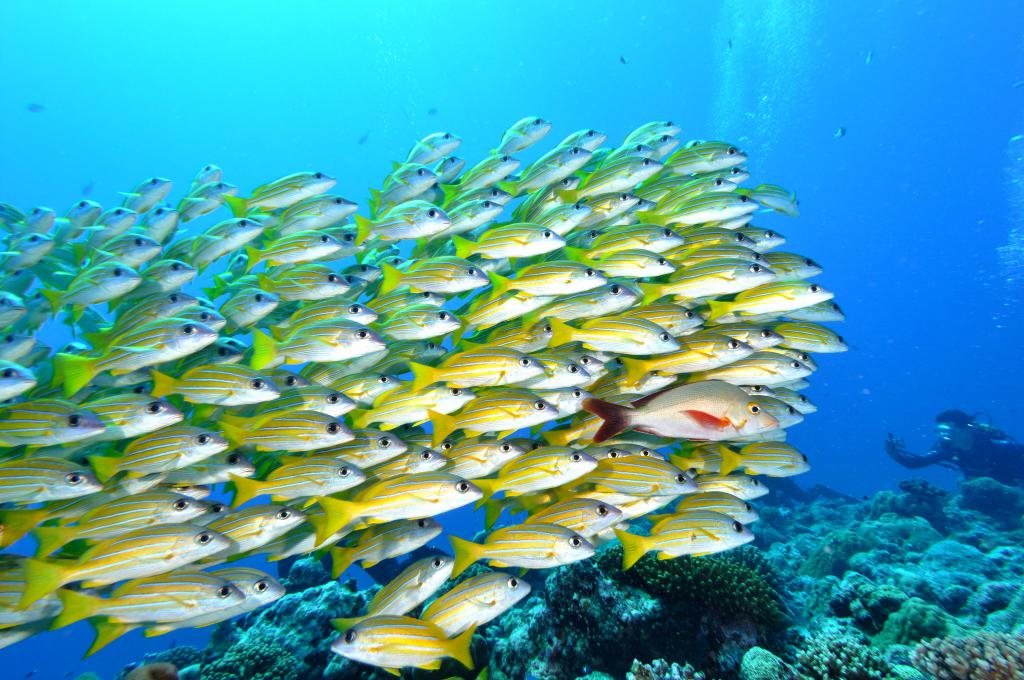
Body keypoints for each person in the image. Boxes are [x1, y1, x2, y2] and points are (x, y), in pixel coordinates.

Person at [886, 409, 1024, 484]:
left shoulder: (991, 444)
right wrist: (893, 453)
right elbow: (915, 463)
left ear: (965, 429)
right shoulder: (948, 450)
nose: (943, 436)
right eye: (939, 431)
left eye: (946, 431)